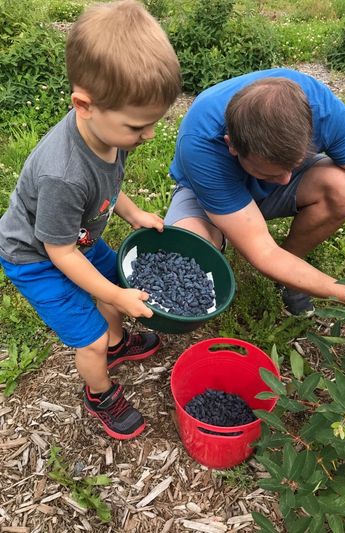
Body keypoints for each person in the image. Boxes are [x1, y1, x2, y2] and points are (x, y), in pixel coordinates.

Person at [0, 0, 181, 440]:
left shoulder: (106, 134)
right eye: (138, 126)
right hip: (38, 258)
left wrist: (133, 211)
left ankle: (118, 345)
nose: (149, 135)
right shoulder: (61, 174)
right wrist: (117, 296)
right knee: (92, 336)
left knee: (114, 275)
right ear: (84, 105)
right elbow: (58, 253)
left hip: (75, 240)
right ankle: (99, 391)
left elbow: (108, 187)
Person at [164, 68, 345, 316]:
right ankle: (238, 242)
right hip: (207, 191)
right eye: (271, 172)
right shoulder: (200, 141)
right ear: (231, 145)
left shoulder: (320, 108)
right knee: (188, 255)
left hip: (253, 179)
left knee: (343, 187)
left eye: (293, 166)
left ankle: (290, 270)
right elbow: (263, 251)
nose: (285, 180)